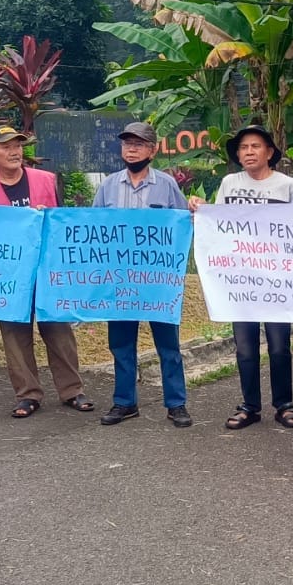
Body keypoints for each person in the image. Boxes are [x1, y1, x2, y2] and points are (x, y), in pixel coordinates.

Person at [187, 125, 293, 430]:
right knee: (245, 347)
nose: (249, 152)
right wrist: (200, 209)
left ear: (269, 152)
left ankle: (284, 404)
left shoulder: (288, 186)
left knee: (279, 345)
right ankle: (250, 405)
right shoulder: (229, 183)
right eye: (243, 148)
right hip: (241, 280)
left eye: (255, 146)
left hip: (278, 280)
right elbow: (219, 224)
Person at [0, 125, 94, 418]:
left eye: (18, 145)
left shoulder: (47, 180)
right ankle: (27, 394)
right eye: (6, 146)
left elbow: (65, 223)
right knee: (14, 334)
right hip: (9, 274)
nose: (15, 151)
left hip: (47, 269)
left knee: (59, 330)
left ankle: (72, 390)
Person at [93, 122, 193, 428]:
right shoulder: (108, 185)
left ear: (153, 149)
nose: (132, 149)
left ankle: (176, 404)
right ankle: (125, 402)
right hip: (120, 279)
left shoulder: (166, 185)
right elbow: (94, 229)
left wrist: (194, 212)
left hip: (158, 282)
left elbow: (181, 228)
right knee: (121, 343)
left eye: (139, 144)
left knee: (168, 344)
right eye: (127, 144)